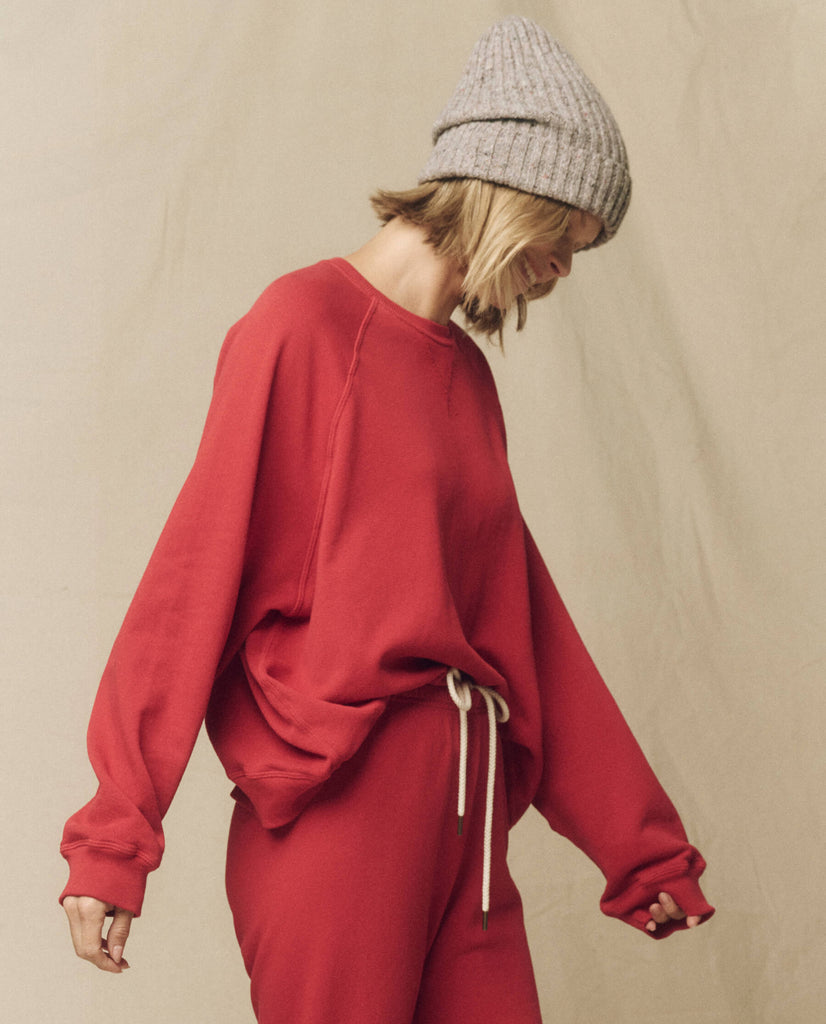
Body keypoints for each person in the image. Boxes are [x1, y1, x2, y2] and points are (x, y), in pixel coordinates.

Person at [61, 16, 714, 1023]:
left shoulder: (464, 375)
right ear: (511, 186)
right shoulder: (300, 327)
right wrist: (115, 838)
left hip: (468, 832)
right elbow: (191, 585)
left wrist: (640, 847)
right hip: (338, 822)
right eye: (564, 239)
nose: (562, 271)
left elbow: (522, 625)